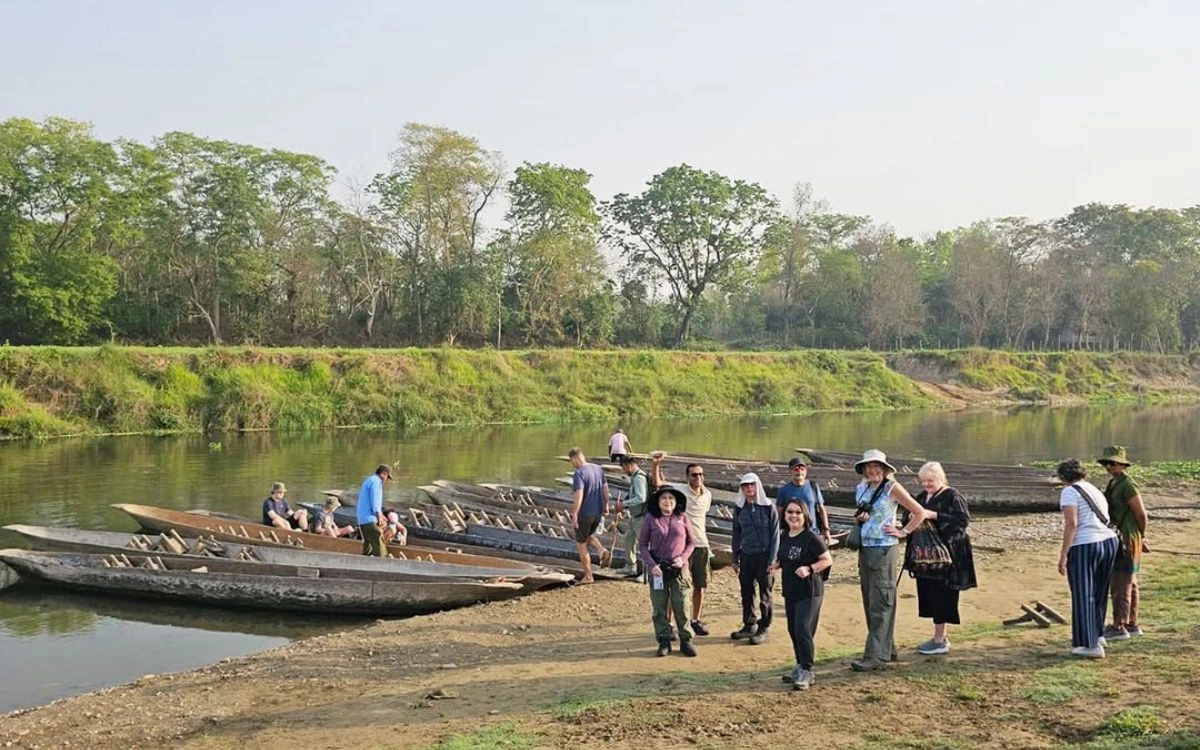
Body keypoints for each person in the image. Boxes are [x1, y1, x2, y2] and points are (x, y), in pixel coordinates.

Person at [850, 449, 927, 672]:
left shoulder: (892, 487)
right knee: (870, 599)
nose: (872, 470)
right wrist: (860, 518)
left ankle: (875, 657)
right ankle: (886, 648)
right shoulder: (861, 488)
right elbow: (864, 515)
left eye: (877, 466)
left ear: (884, 469)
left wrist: (903, 531)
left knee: (881, 601)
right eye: (868, 466)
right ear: (863, 469)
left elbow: (919, 512)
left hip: (884, 550)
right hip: (866, 549)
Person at [891, 461, 977, 655]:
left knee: (943, 594)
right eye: (923, 481)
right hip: (925, 557)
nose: (926, 484)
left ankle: (940, 639)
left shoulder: (953, 496)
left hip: (949, 555)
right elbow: (908, 516)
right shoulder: (922, 496)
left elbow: (962, 521)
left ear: (940, 478)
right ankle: (939, 636)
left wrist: (934, 515)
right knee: (930, 594)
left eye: (931, 480)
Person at [1056, 458, 1120, 658]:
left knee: (1083, 593)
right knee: (1099, 591)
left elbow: (1072, 523)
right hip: (1109, 541)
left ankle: (1088, 644)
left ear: (1063, 476)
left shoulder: (1069, 492)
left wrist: (1063, 554)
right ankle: (1097, 633)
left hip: (1086, 544)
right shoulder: (1094, 489)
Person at [651, 454, 714, 635]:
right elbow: (658, 483)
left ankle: (695, 619)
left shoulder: (707, 495)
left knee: (699, 585)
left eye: (701, 474)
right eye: (694, 475)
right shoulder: (679, 491)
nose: (698, 478)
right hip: (683, 547)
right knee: (677, 586)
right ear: (687, 477)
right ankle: (670, 624)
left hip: (701, 544)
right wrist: (656, 464)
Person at [773, 500, 832, 690]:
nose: (793, 515)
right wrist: (776, 565)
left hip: (810, 591)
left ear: (805, 516)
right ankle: (799, 666)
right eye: (790, 512)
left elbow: (827, 560)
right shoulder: (784, 536)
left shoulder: (811, 537)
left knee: (802, 629)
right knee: (793, 630)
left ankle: (807, 670)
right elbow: (785, 558)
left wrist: (810, 568)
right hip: (791, 590)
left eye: (798, 512)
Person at [638, 485, 697, 657]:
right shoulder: (650, 518)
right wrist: (651, 565)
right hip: (658, 570)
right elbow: (642, 545)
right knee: (659, 606)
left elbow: (691, 543)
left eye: (671, 498)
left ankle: (686, 639)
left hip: (679, 569)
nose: (668, 501)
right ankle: (664, 640)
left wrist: (683, 559)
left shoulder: (682, 517)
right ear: (658, 501)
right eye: (664, 498)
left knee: (682, 604)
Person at [1098, 446, 1148, 641]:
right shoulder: (1114, 483)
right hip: (1122, 535)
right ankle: (1131, 623)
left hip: (1127, 537)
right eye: (1107, 463)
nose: (1109, 467)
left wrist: (1141, 536)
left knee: (1121, 583)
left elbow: (1141, 514)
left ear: (1122, 464)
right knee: (1130, 581)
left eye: (1113, 463)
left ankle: (1119, 626)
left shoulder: (1128, 485)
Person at [730, 472, 779, 646]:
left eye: (751, 485)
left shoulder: (768, 507)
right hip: (746, 554)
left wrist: (773, 559)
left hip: (764, 556)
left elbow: (775, 535)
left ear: (757, 486)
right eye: (745, 486)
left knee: (765, 593)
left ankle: (764, 626)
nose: (749, 488)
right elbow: (736, 533)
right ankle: (749, 624)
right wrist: (734, 557)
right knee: (746, 591)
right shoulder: (739, 508)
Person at [568, 447, 611, 583]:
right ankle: (601, 550)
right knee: (587, 536)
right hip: (597, 512)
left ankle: (588, 576)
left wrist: (574, 514)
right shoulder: (598, 469)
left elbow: (579, 494)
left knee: (581, 544)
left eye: (571, 461)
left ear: (575, 458)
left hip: (585, 513)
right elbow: (605, 488)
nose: (572, 464)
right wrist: (606, 505)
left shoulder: (579, 474)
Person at [776, 455, 832, 546]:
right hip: (792, 532)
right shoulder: (783, 490)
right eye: (796, 469)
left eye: (802, 469)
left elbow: (821, 509)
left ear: (806, 471)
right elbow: (779, 513)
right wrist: (778, 531)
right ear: (790, 471)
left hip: (812, 531)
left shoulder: (813, 486)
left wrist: (826, 529)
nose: (799, 472)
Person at [615, 455, 649, 577]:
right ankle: (631, 566)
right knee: (629, 539)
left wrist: (624, 504)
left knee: (644, 544)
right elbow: (632, 495)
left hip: (641, 517)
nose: (624, 471)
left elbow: (641, 497)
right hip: (634, 516)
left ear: (628, 466)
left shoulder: (639, 478)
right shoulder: (634, 478)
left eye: (624, 468)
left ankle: (646, 573)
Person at [356, 464, 392, 557]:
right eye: (387, 477)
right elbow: (375, 500)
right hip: (370, 519)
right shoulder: (376, 482)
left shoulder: (370, 480)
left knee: (368, 544)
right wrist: (378, 514)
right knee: (378, 542)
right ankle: (382, 564)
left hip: (362, 519)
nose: (386, 480)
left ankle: (363, 562)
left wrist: (381, 515)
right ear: (383, 474)